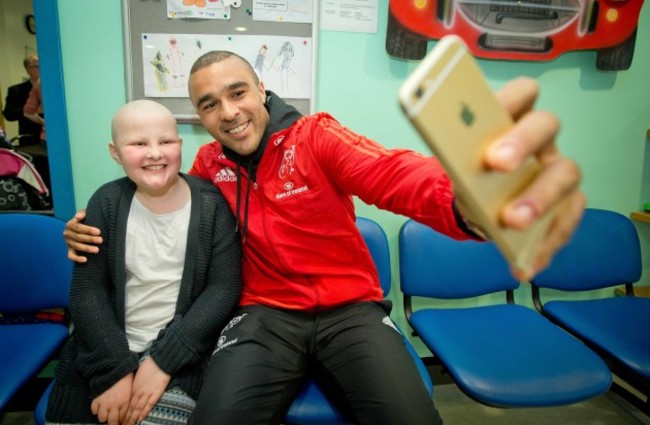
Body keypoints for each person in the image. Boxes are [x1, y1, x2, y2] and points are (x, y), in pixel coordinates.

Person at [64, 51, 584, 425]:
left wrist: (466, 203)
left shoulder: (316, 136)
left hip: (350, 311)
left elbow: (393, 173)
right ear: (198, 118)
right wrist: (97, 220)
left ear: (261, 90)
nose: (227, 111)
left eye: (238, 92)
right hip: (261, 314)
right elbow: (159, 201)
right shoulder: (208, 165)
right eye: (208, 104)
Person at [47, 99, 242, 425]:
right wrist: (114, 369)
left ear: (180, 145)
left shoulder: (211, 206)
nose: (155, 153)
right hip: (104, 346)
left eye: (166, 141)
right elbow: (87, 292)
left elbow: (223, 289)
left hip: (181, 356)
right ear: (115, 152)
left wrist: (163, 361)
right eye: (138, 143)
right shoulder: (105, 203)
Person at [2, 54, 42, 144]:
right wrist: (30, 110)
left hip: (54, 137)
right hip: (30, 141)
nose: (43, 69)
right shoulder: (17, 90)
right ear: (28, 70)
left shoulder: (53, 89)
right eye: (38, 66)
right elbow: (9, 114)